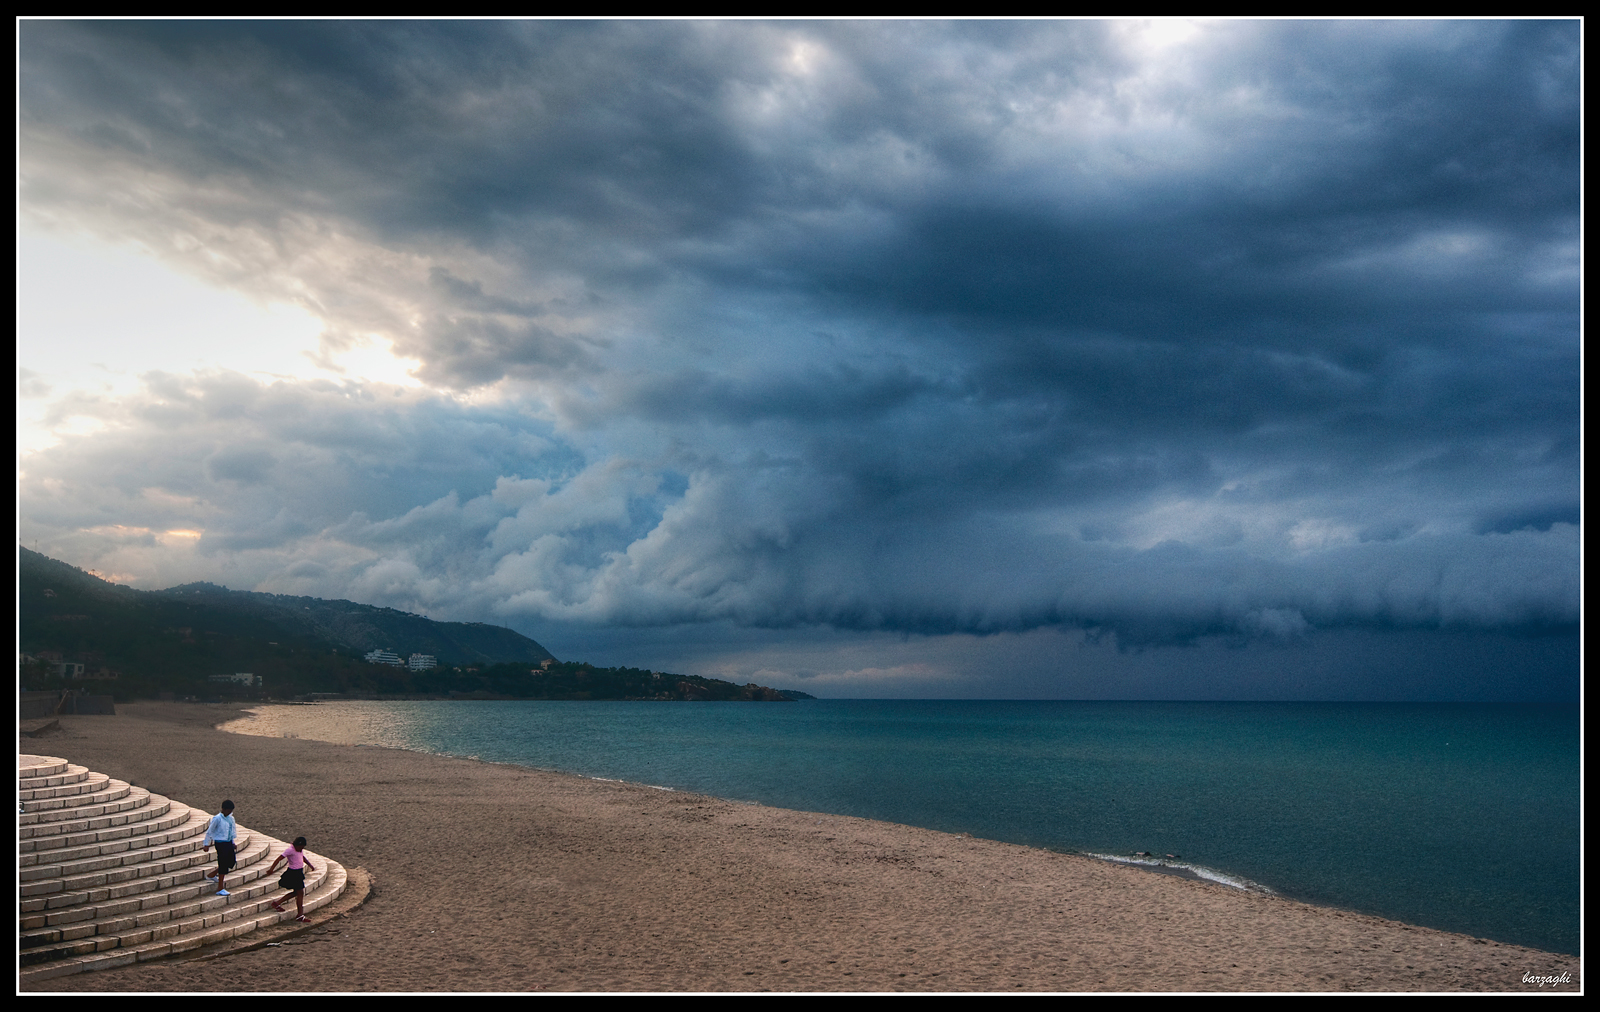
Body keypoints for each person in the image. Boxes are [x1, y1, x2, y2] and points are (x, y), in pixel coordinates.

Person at [267, 837, 318, 922]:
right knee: (300, 893)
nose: (301, 849)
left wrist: (310, 865)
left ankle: (277, 903)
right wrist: (271, 869)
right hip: (293, 874)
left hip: (299, 872)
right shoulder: (290, 850)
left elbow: (302, 857)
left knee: (296, 893)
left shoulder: (299, 850)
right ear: (297, 845)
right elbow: (278, 859)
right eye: (300, 847)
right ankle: (300, 915)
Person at [201, 800, 237, 896]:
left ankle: (212, 874)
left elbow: (231, 831)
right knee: (223, 863)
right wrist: (206, 844)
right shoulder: (217, 819)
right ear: (223, 809)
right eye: (228, 810)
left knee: (231, 862)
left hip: (228, 842)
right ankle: (220, 888)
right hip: (221, 843)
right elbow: (210, 831)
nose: (229, 812)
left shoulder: (231, 819)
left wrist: (233, 842)